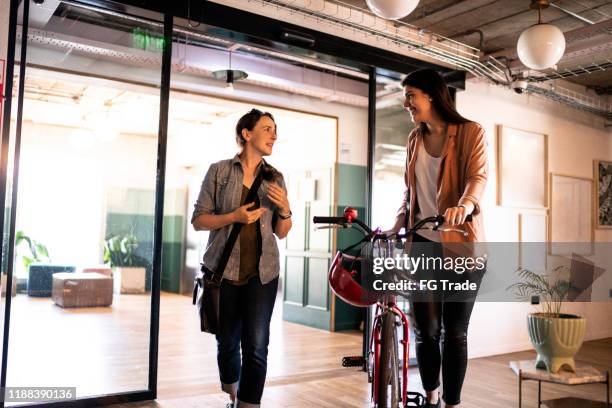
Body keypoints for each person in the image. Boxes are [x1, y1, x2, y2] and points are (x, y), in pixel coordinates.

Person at [387, 69, 488, 408]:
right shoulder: (414, 138)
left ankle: (451, 403)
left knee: (454, 332)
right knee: (425, 330)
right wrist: (398, 221)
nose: (406, 103)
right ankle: (430, 395)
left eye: (410, 95)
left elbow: (478, 176)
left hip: (461, 246)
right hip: (423, 246)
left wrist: (465, 205)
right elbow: (409, 190)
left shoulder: (471, 132)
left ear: (431, 95)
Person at [191, 109, 292, 408]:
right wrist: (233, 216)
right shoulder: (219, 171)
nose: (274, 135)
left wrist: (285, 208)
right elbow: (198, 220)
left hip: (263, 274)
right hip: (223, 273)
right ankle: (231, 392)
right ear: (247, 134)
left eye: (275, 130)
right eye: (267, 129)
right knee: (226, 344)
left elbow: (282, 232)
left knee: (257, 346)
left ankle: (248, 404)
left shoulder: (276, 177)